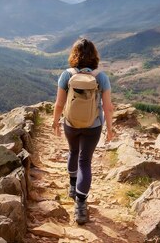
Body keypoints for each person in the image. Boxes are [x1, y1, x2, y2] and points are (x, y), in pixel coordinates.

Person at [52, 38, 115, 225]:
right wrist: (110, 129)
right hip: (93, 126)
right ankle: (80, 206)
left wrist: (55, 121)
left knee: (73, 152)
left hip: (70, 124)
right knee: (85, 161)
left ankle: (72, 186)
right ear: (94, 55)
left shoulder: (67, 75)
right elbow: (108, 107)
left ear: (74, 55)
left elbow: (59, 103)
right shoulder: (101, 77)